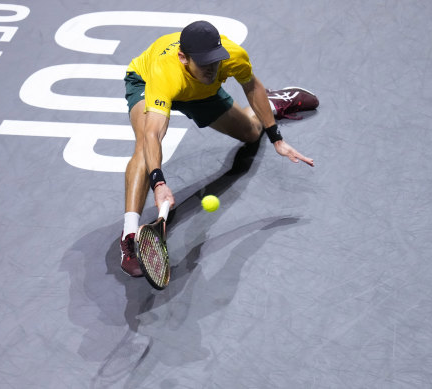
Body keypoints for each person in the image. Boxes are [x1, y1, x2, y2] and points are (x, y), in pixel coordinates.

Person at [120, 20, 319, 276]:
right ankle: (129, 235)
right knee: (143, 151)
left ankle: (272, 104)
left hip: (201, 93)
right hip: (147, 84)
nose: (212, 68)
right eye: (204, 63)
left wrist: (276, 138)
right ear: (183, 57)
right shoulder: (163, 71)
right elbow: (152, 133)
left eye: (215, 61)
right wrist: (158, 183)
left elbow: (251, 85)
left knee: (250, 133)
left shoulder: (232, 56)